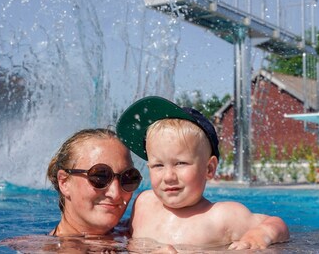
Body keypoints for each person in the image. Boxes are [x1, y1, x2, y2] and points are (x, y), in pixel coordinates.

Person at [117, 96, 290, 250]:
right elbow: (123, 234)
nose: (168, 177)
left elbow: (277, 224)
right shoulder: (143, 203)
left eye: (181, 163)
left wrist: (259, 235)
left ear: (209, 169)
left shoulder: (221, 216)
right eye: (158, 166)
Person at [45, 128, 143, 236]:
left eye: (128, 178)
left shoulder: (137, 231)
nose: (115, 193)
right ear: (64, 182)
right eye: (100, 176)